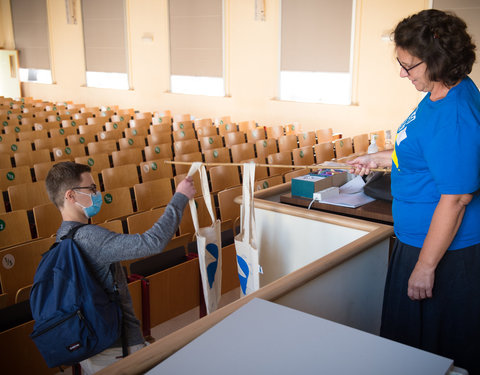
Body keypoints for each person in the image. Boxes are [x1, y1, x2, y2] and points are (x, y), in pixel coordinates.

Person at [348, 9, 480, 374]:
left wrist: (425, 267)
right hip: (420, 241)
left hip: (442, 253)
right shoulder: (441, 90)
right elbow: (424, 150)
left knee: (431, 354)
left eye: (409, 66)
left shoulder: (453, 113)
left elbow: (456, 199)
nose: (403, 74)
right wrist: (378, 158)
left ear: (437, 60)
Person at [45, 161, 196, 374]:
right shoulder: (90, 237)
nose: (97, 193)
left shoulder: (61, 236)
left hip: (92, 341)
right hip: (117, 347)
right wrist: (180, 197)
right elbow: (153, 242)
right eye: (91, 188)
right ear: (70, 196)